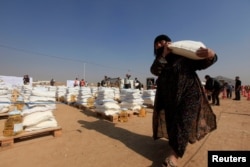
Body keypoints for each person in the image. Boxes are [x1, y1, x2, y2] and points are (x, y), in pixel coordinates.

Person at [150, 34, 217, 166]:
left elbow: (202, 62)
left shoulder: (183, 56)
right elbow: (155, 70)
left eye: (164, 41)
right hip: (169, 99)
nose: (161, 43)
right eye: (157, 42)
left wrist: (211, 55)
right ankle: (175, 144)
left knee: (183, 122)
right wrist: (163, 55)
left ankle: (173, 157)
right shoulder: (159, 60)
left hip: (189, 94)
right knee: (172, 123)